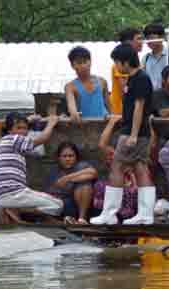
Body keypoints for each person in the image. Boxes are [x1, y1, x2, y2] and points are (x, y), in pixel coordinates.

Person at [91, 44, 155, 225]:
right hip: (137, 131)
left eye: (117, 62)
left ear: (125, 62)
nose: (116, 67)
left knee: (117, 168)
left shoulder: (140, 78)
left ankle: (110, 213)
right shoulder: (134, 78)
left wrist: (133, 134)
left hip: (133, 132)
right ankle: (145, 214)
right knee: (140, 168)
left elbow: (139, 107)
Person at [0, 112, 62, 222]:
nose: (23, 132)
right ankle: (16, 210)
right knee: (57, 205)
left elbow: (20, 127)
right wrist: (51, 123)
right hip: (14, 193)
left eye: (25, 128)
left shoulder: (3, 141)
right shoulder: (15, 139)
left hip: (1, 196)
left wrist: (29, 119)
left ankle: (13, 210)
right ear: (9, 130)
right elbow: (42, 139)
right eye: (19, 128)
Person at [45, 142, 98, 224]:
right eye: (64, 156)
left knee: (84, 184)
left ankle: (81, 219)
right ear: (59, 158)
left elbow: (92, 173)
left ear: (76, 157)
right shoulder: (54, 171)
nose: (67, 159)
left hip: (84, 204)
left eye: (71, 156)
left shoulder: (81, 166)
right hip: (64, 205)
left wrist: (68, 178)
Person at [65, 46, 110, 124]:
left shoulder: (102, 82)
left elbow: (109, 106)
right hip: (84, 128)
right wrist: (74, 113)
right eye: (79, 63)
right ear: (73, 66)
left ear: (90, 62)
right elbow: (71, 107)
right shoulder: (70, 87)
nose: (83, 66)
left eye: (85, 62)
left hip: (104, 126)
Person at [110, 28, 144, 115]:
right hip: (121, 113)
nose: (142, 42)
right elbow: (125, 90)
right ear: (128, 42)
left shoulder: (138, 63)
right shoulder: (120, 66)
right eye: (138, 39)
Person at [142, 23, 168, 91]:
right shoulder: (145, 58)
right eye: (147, 38)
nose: (149, 41)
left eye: (152, 38)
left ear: (162, 37)